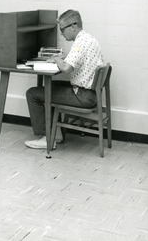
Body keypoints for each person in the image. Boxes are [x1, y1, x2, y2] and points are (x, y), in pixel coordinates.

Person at [25, 10, 105, 149]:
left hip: (83, 96)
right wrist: (60, 60)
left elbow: (67, 68)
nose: (61, 33)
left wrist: (56, 59)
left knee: (33, 93)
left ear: (73, 26)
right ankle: (56, 134)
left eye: (62, 29)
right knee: (51, 86)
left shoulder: (80, 43)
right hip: (90, 93)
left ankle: (46, 139)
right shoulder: (89, 39)